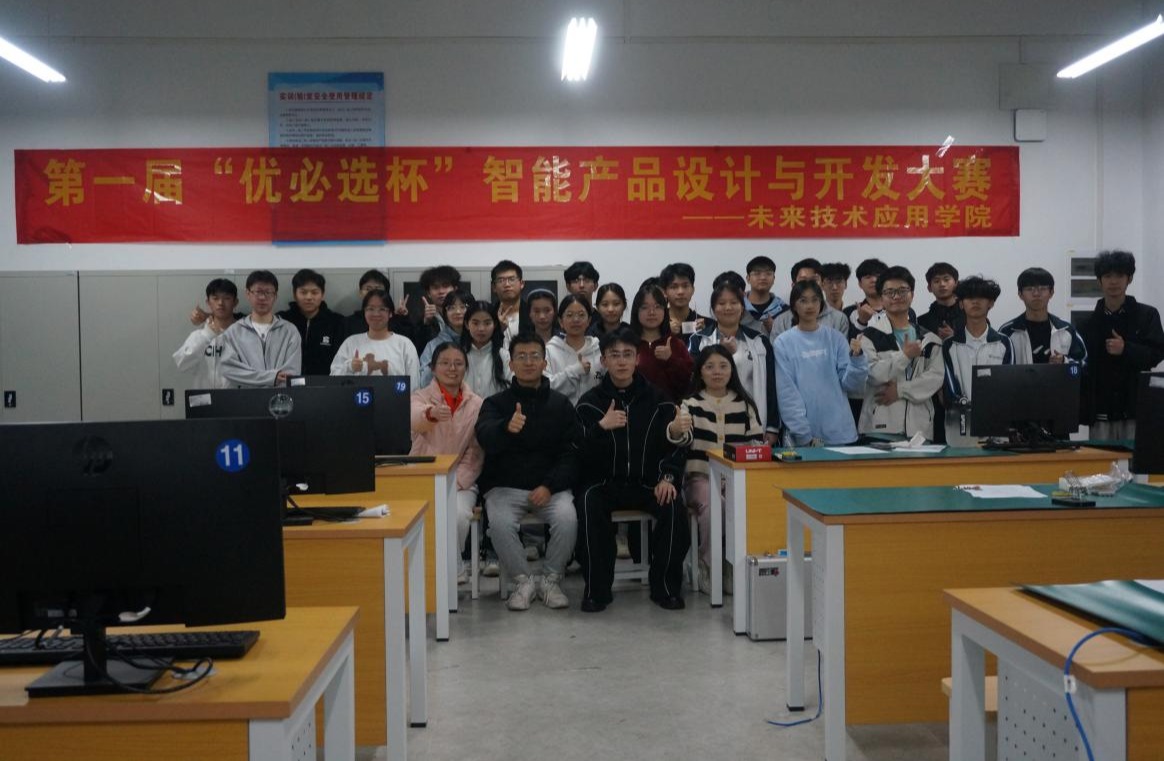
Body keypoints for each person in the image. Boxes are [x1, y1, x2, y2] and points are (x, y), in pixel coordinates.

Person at [575, 327, 692, 612]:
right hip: (605, 483)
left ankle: (665, 588)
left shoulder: (659, 399)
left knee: (673, 505)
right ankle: (596, 590)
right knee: (588, 501)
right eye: (614, 355)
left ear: (638, 359)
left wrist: (668, 477)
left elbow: (676, 447)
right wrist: (601, 428)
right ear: (603, 360)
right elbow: (578, 452)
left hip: (648, 482)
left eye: (627, 354)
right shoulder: (589, 402)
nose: (621, 361)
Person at [475, 333, 580, 611]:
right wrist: (505, 428)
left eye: (535, 356)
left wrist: (549, 485)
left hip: (550, 488)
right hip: (505, 487)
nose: (529, 362)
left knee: (567, 518)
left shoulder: (561, 405)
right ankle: (523, 581)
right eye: (521, 357)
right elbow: (484, 436)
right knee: (499, 523)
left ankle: (551, 580)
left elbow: (571, 453)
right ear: (511, 364)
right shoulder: (495, 403)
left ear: (545, 363)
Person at [680, 344, 763, 595]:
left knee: (746, 505)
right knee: (715, 504)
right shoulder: (689, 404)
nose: (717, 372)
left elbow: (756, 443)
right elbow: (681, 441)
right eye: (710, 367)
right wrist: (676, 429)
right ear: (700, 372)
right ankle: (708, 564)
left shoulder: (744, 404)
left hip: (737, 478)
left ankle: (733, 565)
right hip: (700, 478)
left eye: (723, 366)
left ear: (732, 371)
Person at [410, 342, 484, 584]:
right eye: (445, 363)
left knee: (459, 515)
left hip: (460, 482)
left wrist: (456, 481)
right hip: (422, 477)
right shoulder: (420, 397)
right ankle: (440, 570)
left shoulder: (477, 404)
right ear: (433, 368)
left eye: (458, 363)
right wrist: (430, 414)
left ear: (466, 368)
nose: (452, 368)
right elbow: (414, 417)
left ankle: (450, 567)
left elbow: (475, 452)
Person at [1078, 250, 1164, 441]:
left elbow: (1157, 353)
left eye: (1119, 275)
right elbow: (1083, 366)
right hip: (1100, 413)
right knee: (1099, 460)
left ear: (1129, 279)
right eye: (1108, 276)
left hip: (1135, 409)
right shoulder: (1087, 324)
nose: (1114, 282)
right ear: (1099, 281)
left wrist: (1126, 349)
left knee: (1136, 460)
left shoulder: (1147, 315)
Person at [774, 280, 868, 447]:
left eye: (815, 300)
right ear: (794, 305)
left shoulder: (835, 338)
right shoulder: (783, 342)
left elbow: (852, 385)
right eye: (803, 300)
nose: (810, 306)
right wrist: (803, 435)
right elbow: (787, 393)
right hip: (804, 438)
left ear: (821, 304)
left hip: (841, 433)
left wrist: (857, 358)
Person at [857, 266, 945, 440]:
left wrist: (900, 390)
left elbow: (935, 379)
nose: (896, 297)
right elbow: (872, 374)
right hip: (879, 429)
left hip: (919, 431)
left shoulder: (930, 339)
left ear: (912, 294)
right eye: (889, 292)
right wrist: (904, 356)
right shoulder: (869, 337)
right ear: (881, 298)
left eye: (902, 291)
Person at [689, 283, 780, 444]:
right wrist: (721, 353)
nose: (728, 307)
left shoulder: (759, 341)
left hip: (752, 421)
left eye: (734, 302)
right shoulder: (698, 340)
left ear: (742, 308)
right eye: (721, 303)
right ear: (713, 309)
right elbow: (694, 380)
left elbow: (771, 385)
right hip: (710, 420)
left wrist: (772, 427)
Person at [941, 276, 1013, 444]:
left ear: (991, 303)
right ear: (961, 304)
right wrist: (964, 405)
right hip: (959, 423)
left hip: (996, 423)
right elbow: (949, 386)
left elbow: (1007, 383)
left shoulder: (1003, 342)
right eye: (969, 297)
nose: (975, 302)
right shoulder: (949, 345)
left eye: (981, 297)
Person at [219, 270, 302, 388]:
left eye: (268, 292)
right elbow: (229, 370)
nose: (262, 297)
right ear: (248, 294)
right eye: (258, 292)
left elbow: (291, 374)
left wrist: (266, 382)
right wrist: (271, 378)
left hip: (279, 398)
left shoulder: (290, 331)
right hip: (245, 398)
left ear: (275, 296)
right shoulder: (233, 332)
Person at [329, 288, 421, 389]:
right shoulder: (351, 342)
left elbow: (414, 384)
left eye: (382, 309)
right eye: (370, 309)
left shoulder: (405, 344)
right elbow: (334, 378)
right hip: (356, 398)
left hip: (397, 398)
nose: (376, 314)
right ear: (364, 312)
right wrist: (350, 367)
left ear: (390, 313)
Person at [998, 268, 1086, 365]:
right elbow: (997, 368)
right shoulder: (1007, 331)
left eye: (1043, 288)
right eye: (1029, 289)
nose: (1036, 294)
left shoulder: (1067, 330)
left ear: (1051, 292)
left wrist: (1064, 361)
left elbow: (1084, 364)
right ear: (1020, 294)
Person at [629, 283, 694, 402]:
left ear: (665, 310)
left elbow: (689, 383)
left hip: (671, 409)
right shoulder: (628, 344)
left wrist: (671, 359)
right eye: (645, 307)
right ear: (636, 311)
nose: (651, 312)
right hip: (634, 409)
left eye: (657, 307)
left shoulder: (675, 344)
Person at [277, 269, 348, 376]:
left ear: (322, 294)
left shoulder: (337, 322)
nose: (309, 297)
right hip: (288, 381)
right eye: (303, 292)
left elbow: (341, 361)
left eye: (314, 292)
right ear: (295, 294)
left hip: (325, 383)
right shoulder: (283, 320)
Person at [174, 277, 239, 389]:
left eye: (227, 298)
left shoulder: (244, 335)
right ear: (208, 302)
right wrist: (207, 336)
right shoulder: (198, 335)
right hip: (203, 397)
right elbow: (181, 363)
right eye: (215, 298)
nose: (220, 303)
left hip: (236, 397)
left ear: (235, 302)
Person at [769, 257, 850, 337]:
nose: (809, 285)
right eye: (803, 280)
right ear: (793, 285)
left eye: (814, 280)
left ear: (822, 284)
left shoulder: (839, 319)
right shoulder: (782, 321)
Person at [545, 293, 602, 405]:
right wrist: (575, 370)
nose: (576, 320)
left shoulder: (599, 349)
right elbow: (546, 386)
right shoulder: (550, 350)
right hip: (560, 412)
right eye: (569, 315)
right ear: (561, 321)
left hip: (593, 412)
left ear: (589, 321)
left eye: (581, 315)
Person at [418, 289, 472, 387]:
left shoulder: (479, 342)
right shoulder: (433, 345)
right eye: (451, 307)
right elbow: (423, 382)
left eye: (463, 307)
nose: (457, 312)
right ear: (445, 312)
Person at [345, 269, 415, 341]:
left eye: (377, 289)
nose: (372, 293)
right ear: (360, 293)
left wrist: (403, 318)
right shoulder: (349, 323)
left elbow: (410, 340)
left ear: (386, 294)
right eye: (368, 289)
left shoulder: (395, 321)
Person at [461, 301, 512, 398]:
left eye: (487, 323)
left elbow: (511, 388)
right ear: (467, 324)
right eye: (475, 323)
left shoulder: (504, 356)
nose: (481, 329)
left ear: (495, 324)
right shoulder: (459, 355)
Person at [408, 265, 463, 353]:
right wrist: (426, 324)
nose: (441, 291)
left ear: (455, 289)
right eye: (436, 287)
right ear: (429, 293)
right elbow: (418, 349)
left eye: (445, 286)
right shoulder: (419, 319)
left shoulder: (466, 314)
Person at [660, 262, 711, 337]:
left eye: (685, 286)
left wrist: (705, 333)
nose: (680, 292)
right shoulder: (657, 324)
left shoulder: (708, 324)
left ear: (693, 289)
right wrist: (665, 331)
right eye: (674, 287)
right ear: (664, 292)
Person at [916, 262, 962, 340]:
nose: (942, 284)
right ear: (929, 288)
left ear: (956, 283)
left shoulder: (971, 316)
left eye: (946, 280)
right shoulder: (921, 322)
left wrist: (955, 337)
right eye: (936, 281)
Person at [741, 255, 785, 334]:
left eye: (768, 273)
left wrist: (775, 331)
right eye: (757, 273)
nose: (763, 277)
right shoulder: (738, 307)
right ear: (748, 278)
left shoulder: (784, 310)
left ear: (774, 279)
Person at [845, 257, 888, 334]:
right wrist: (861, 322)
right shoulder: (849, 312)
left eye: (878, 276)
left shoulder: (900, 309)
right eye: (868, 277)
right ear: (860, 284)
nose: (874, 280)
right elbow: (847, 340)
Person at [491, 260, 525, 346]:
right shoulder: (489, 314)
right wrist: (499, 329)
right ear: (494, 287)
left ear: (521, 284)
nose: (507, 284)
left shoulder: (533, 313)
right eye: (501, 280)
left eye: (512, 279)